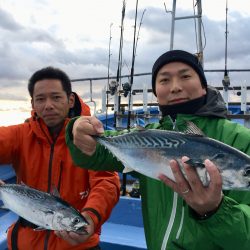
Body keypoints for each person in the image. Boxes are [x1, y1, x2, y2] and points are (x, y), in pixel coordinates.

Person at [65, 50, 250, 249]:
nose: (176, 87)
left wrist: (215, 210)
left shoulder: (240, 139)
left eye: (185, 76)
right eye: (164, 80)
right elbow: (94, 152)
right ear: (156, 92)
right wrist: (77, 128)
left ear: (204, 86)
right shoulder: (148, 136)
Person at [0, 66, 120, 250]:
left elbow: (105, 181)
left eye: (56, 97)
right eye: (40, 99)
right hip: (25, 243)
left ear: (70, 100)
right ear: (33, 104)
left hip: (79, 244)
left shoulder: (89, 136)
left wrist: (90, 217)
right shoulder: (19, 135)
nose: (48, 105)